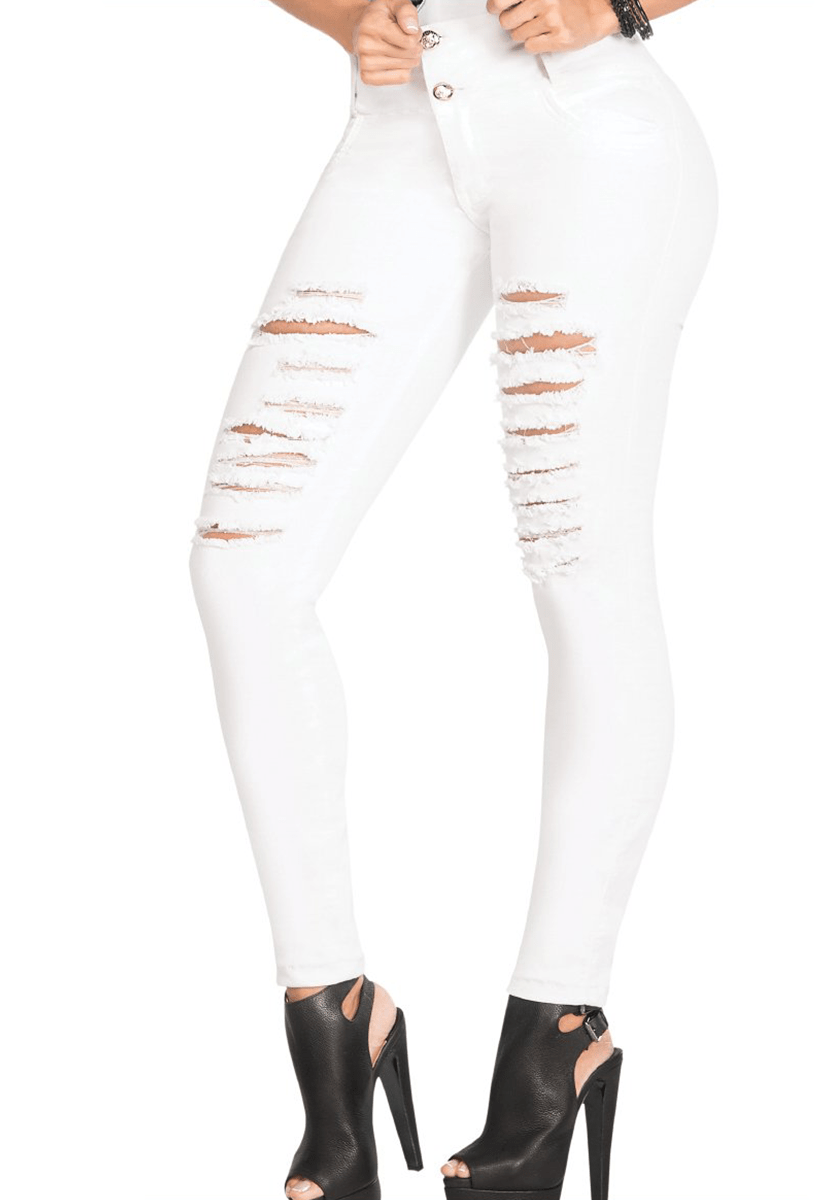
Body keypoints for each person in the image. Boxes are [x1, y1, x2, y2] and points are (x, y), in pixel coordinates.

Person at [188, 1, 716, 1197]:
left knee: (579, 564)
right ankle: (334, 1011)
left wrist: (619, 4)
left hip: (587, 130)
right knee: (243, 562)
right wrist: (344, 16)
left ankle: (555, 1030)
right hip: (396, 134)